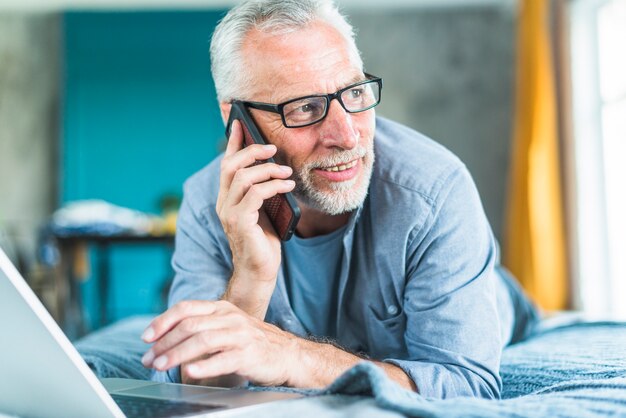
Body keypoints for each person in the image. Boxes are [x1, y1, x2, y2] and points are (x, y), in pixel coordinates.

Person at [140, 0, 538, 399]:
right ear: (237, 118)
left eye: (354, 92)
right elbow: (196, 383)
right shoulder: (209, 203)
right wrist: (249, 278)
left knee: (499, 303)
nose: (348, 137)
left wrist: (294, 357)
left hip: (490, 297)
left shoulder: (435, 189)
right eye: (305, 108)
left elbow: (468, 385)